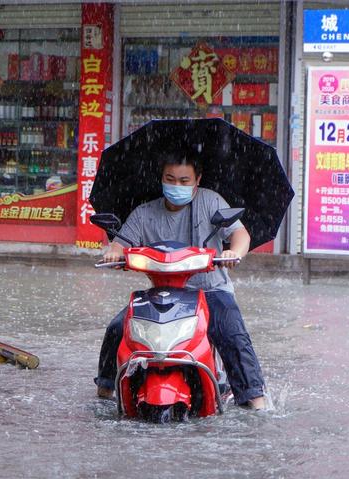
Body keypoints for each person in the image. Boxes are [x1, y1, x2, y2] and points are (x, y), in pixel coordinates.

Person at [94, 152, 266, 410]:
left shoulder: (211, 202)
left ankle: (255, 399)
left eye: (184, 181)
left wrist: (234, 252)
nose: (177, 186)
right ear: (161, 178)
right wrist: (113, 254)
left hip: (210, 291)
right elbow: (120, 244)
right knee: (119, 327)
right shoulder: (144, 213)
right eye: (170, 179)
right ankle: (106, 389)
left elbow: (240, 233)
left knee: (232, 332)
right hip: (161, 292)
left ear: (198, 179)